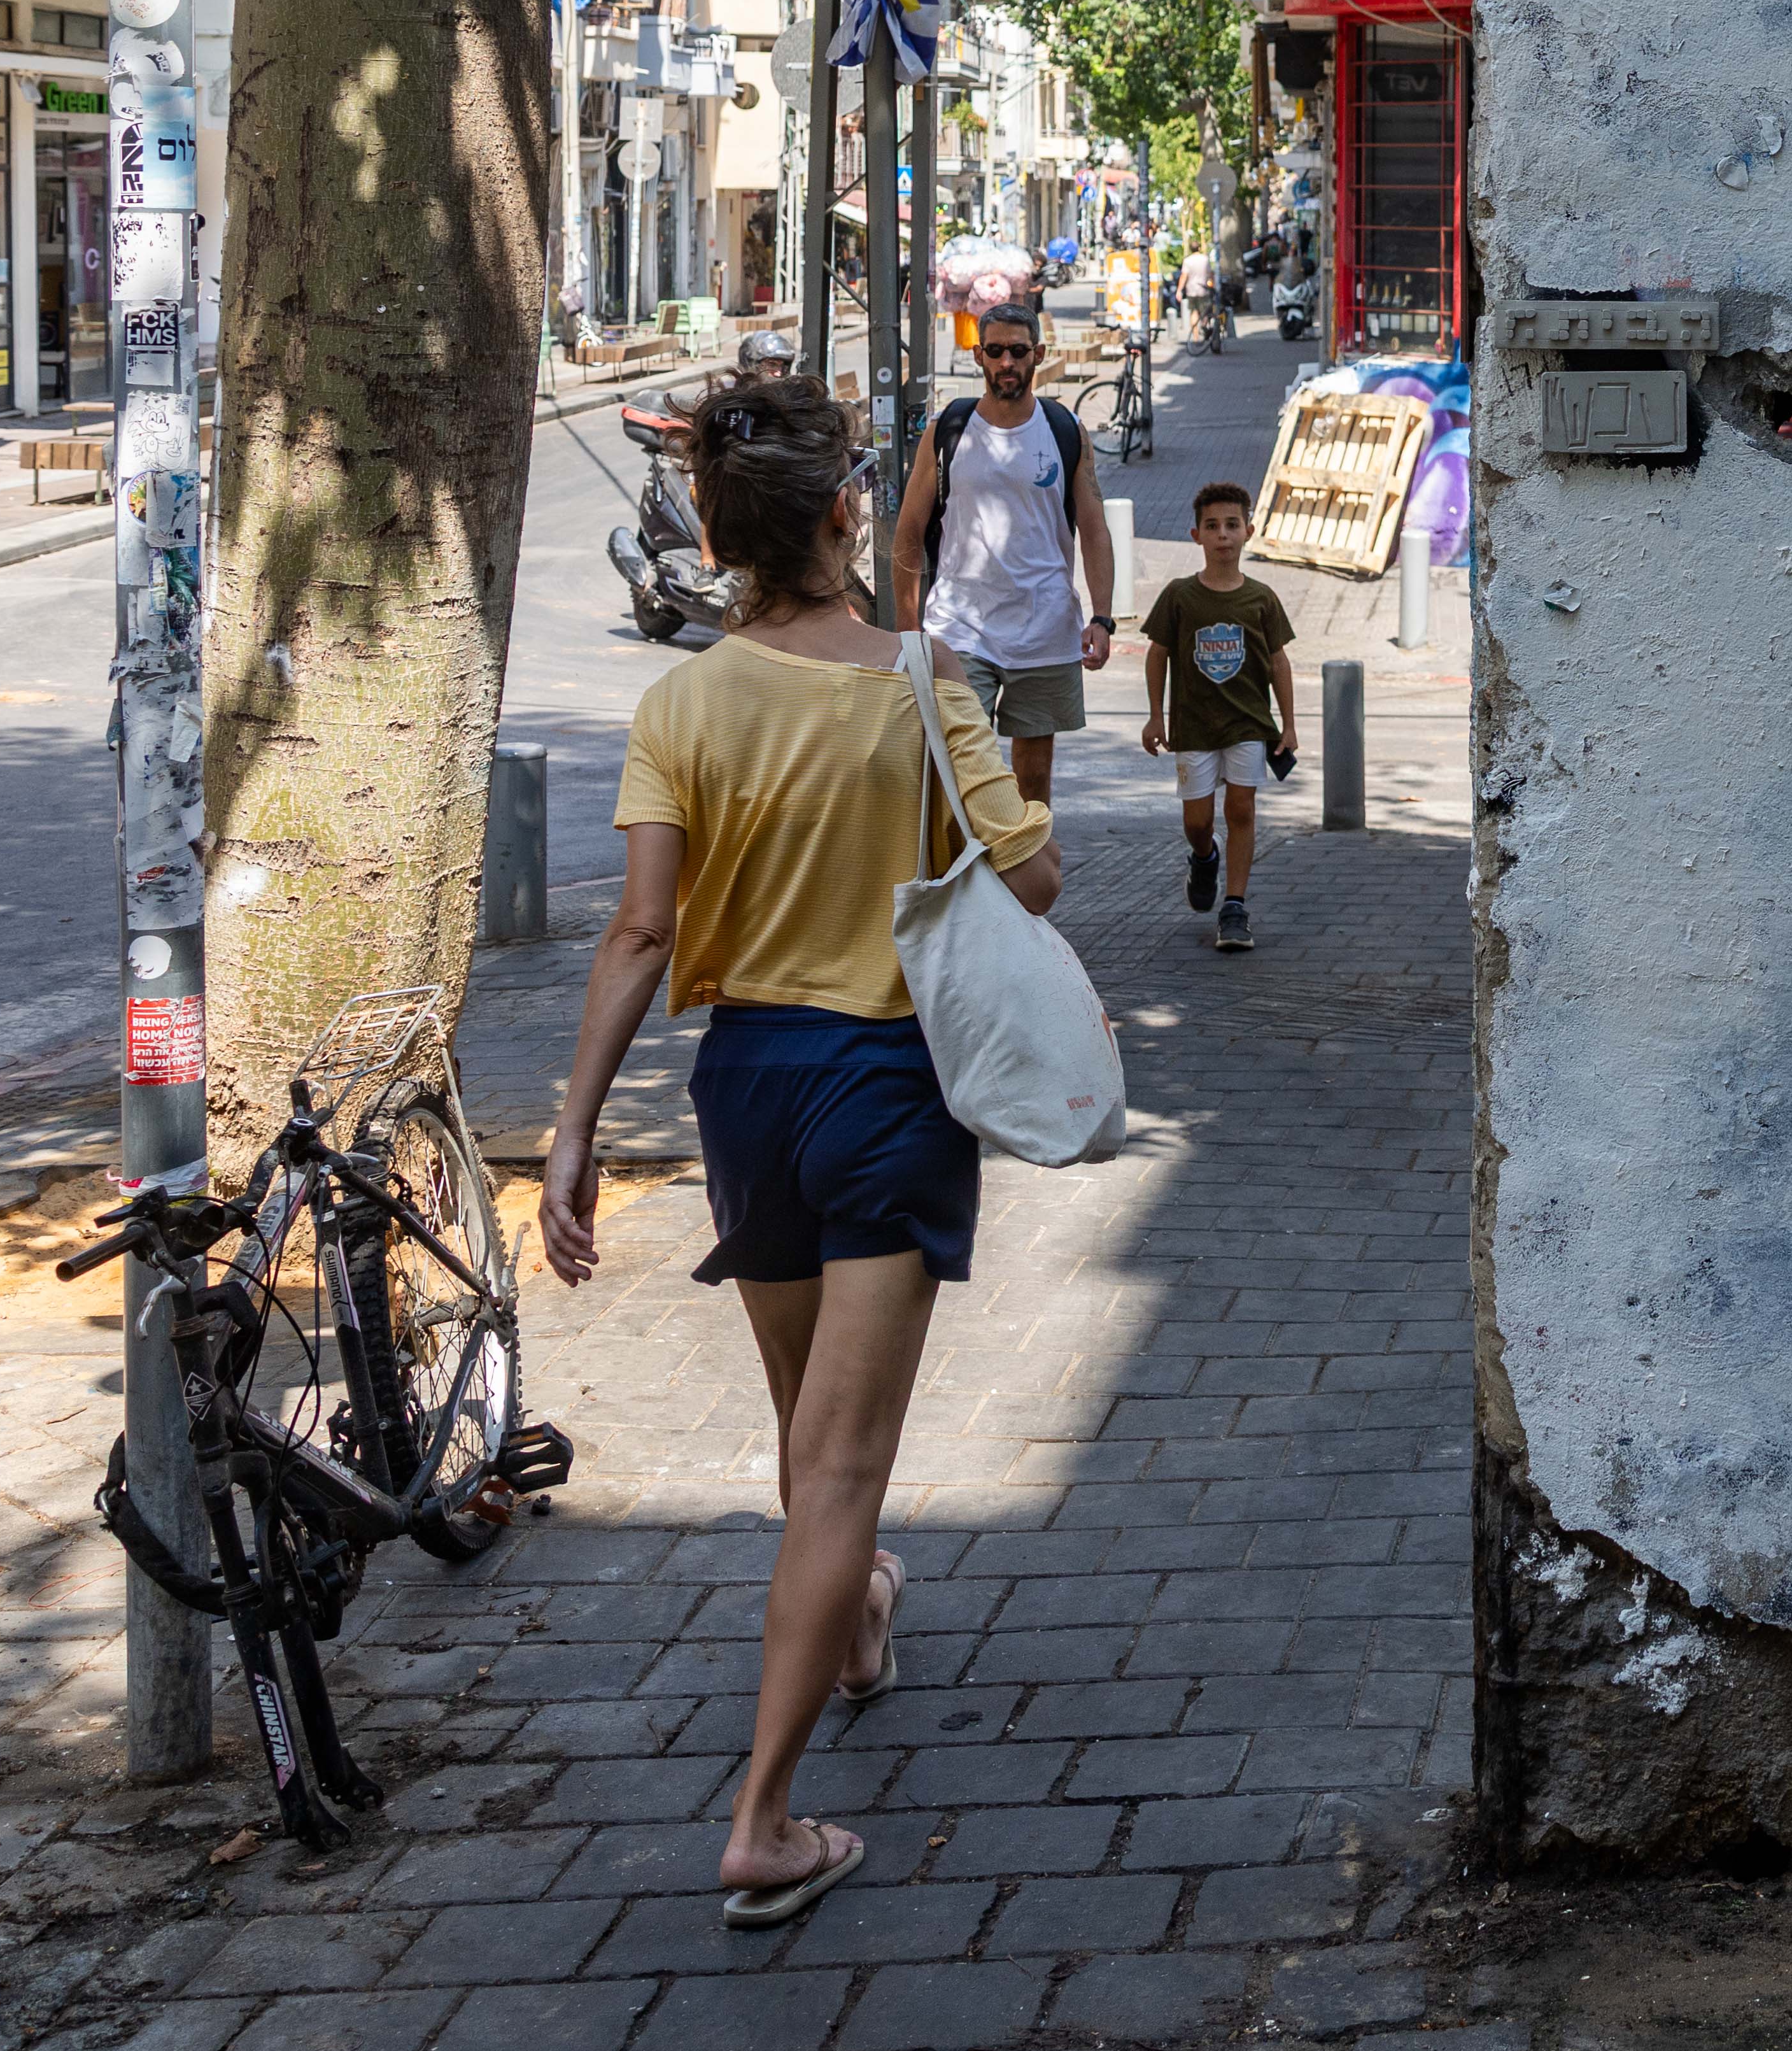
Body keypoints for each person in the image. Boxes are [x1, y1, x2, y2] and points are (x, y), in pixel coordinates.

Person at [540, 371, 1065, 1929]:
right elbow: (1034, 877)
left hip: (744, 1083)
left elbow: (643, 929)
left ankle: (856, 1619)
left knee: (802, 1422)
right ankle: (761, 1817)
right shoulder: (917, 678)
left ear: (714, 527)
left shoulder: (681, 701)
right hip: (886, 1080)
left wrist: (570, 1128)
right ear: (850, 512)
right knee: (840, 1460)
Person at [891, 302, 1108, 802]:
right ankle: (960, 876)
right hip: (960, 627)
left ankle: (1021, 878)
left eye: (1018, 351)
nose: (1006, 363)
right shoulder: (948, 428)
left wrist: (1102, 617)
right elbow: (908, 531)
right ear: (978, 355)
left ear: (1039, 354)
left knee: (1033, 780)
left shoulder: (1065, 430)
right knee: (957, 769)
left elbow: (1095, 530)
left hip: (1046, 626)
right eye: (995, 351)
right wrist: (909, 629)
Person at [1139, 478, 1300, 951]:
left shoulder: (1262, 598)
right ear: (1197, 537)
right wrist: (1155, 716)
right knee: (1197, 822)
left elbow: (1279, 662)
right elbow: (1157, 653)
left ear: (1249, 531)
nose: (1223, 535)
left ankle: (1234, 907)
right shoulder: (1179, 595)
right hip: (1193, 727)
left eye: (1233, 525)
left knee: (1242, 810)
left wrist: (1289, 724)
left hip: (1248, 724)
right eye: (1213, 526)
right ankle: (1205, 857)